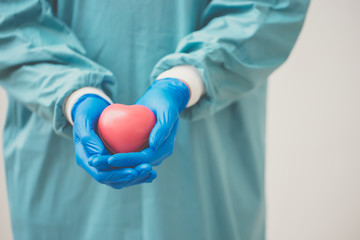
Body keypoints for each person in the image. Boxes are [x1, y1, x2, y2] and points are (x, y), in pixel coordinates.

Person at [0, 0, 310, 239]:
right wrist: (73, 96)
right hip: (60, 179)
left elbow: (268, 7)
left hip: (203, 178)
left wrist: (185, 80)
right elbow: (10, 19)